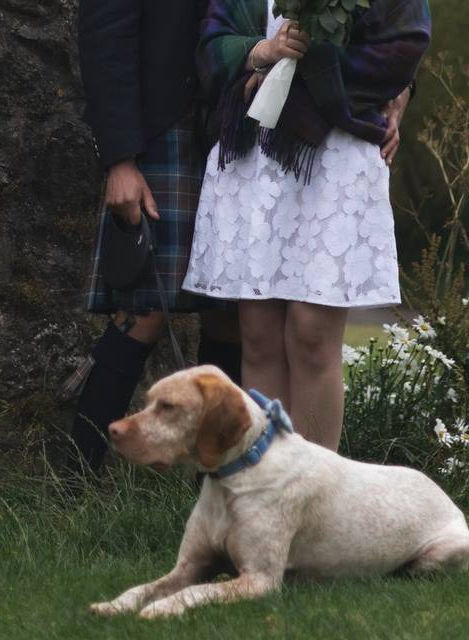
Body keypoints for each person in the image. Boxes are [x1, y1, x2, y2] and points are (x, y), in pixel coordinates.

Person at [183, 0, 431, 450]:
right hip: (253, 152)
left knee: (311, 333)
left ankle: (314, 503)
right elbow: (211, 46)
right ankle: (268, 495)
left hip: (334, 151)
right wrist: (261, 52)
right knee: (256, 336)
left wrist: (304, 72)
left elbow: (402, 48)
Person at [68, 0, 242, 473]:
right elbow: (106, 37)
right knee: (142, 310)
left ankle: (217, 484)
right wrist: (121, 159)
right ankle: (70, 483)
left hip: (245, 134)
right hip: (169, 128)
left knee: (232, 313)